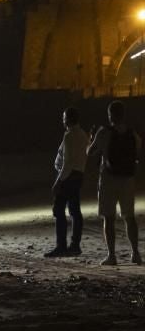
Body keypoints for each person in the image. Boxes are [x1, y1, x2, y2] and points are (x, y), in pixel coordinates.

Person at [86, 99, 141, 265]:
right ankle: (136, 253)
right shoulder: (133, 134)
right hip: (127, 179)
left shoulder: (104, 132)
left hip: (109, 178)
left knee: (108, 218)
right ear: (123, 115)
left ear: (110, 115)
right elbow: (137, 153)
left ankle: (112, 255)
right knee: (129, 217)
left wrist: (90, 140)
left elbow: (91, 153)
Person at [46, 106, 87, 257]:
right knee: (75, 210)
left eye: (64, 118)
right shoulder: (83, 134)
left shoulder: (69, 136)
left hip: (68, 176)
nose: (62, 120)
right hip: (78, 175)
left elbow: (67, 163)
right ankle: (75, 245)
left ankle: (61, 246)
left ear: (68, 119)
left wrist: (58, 181)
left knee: (58, 209)